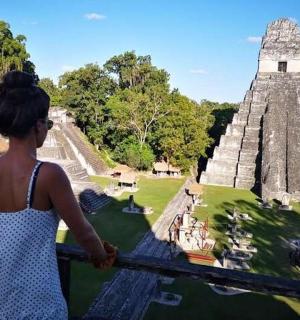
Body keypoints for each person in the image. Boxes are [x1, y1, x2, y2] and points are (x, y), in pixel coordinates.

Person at [0, 71, 116, 319]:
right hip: (37, 303)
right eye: (48, 123)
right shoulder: (47, 174)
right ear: (38, 126)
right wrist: (101, 254)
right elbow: (82, 231)